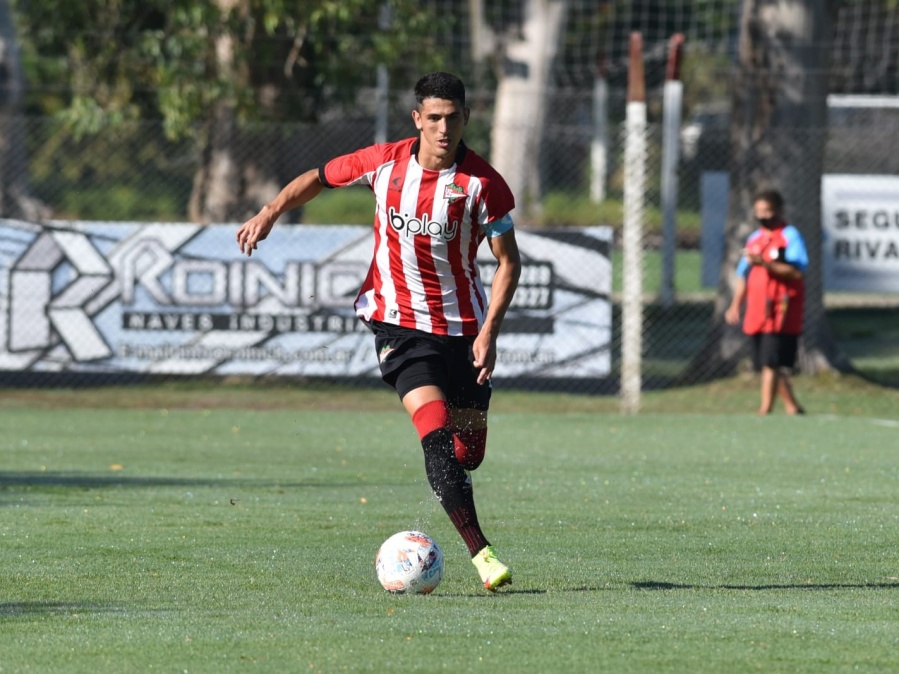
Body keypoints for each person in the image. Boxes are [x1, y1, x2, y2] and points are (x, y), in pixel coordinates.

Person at [236, 72, 521, 591]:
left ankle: (455, 483)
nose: (442, 128)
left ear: (465, 120)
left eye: (452, 118)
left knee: (467, 451)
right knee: (434, 438)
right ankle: (482, 554)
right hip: (399, 327)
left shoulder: (485, 185)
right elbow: (319, 176)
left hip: (464, 331)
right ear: (417, 119)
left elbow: (508, 263)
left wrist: (490, 333)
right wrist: (270, 211)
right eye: (432, 118)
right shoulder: (383, 161)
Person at [725, 188, 808, 416]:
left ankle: (765, 408)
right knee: (765, 362)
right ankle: (792, 407)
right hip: (756, 310)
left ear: (778, 211)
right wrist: (735, 305)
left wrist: (766, 264)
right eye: (758, 211)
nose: (762, 216)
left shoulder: (789, 236)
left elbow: (798, 272)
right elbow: (744, 275)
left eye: (767, 211)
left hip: (780, 309)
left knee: (771, 362)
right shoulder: (754, 239)